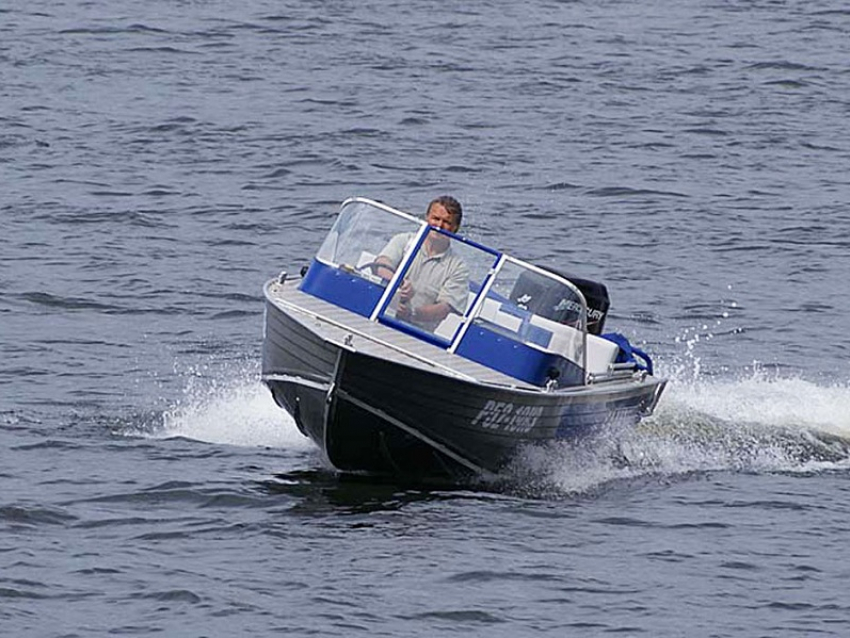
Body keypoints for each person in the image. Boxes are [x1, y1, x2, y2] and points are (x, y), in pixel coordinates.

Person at [373, 196, 469, 332]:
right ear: (427, 218)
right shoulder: (404, 241)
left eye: (446, 222)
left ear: (455, 228)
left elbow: (444, 308)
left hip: (418, 332)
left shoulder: (458, 267)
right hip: (380, 315)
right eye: (435, 219)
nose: (439, 226)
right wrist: (398, 282)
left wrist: (412, 313)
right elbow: (381, 264)